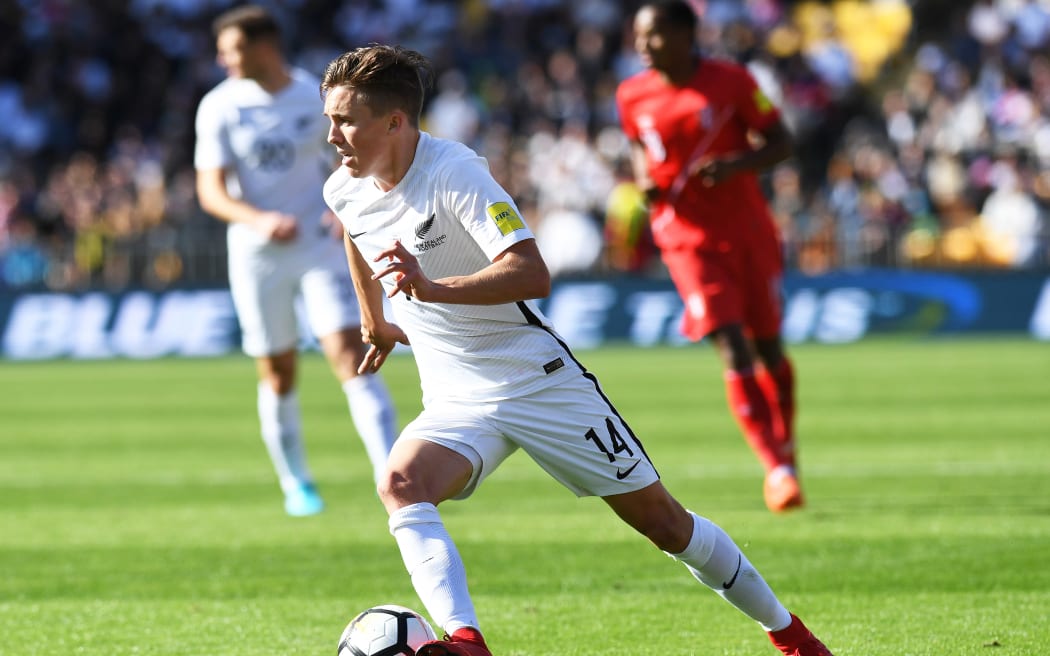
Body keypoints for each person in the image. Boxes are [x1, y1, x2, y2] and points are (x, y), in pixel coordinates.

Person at [319, 44, 834, 656]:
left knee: (666, 525)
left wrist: (431, 288)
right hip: (456, 391)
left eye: (345, 120)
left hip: (536, 379)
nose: (332, 136)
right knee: (401, 482)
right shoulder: (344, 188)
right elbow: (357, 232)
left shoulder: (455, 173)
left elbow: (532, 274)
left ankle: (791, 635)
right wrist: (373, 318)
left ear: (396, 122)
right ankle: (465, 642)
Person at [194, 5, 398, 517]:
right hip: (258, 254)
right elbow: (211, 193)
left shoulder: (314, 95)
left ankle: (393, 474)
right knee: (279, 372)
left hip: (319, 245)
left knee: (352, 354)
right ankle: (297, 484)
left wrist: (344, 208)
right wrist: (257, 220)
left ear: (264, 47)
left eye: (232, 49)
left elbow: (354, 160)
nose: (224, 59)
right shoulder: (219, 106)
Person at [615, 0, 804, 513]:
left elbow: (782, 141)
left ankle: (785, 447)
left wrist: (737, 165)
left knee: (769, 348)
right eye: (637, 36)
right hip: (685, 238)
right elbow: (638, 143)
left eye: (651, 36)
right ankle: (777, 468)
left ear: (683, 34)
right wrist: (644, 180)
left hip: (748, 234)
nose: (641, 47)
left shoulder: (734, 82)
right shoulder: (631, 94)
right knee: (733, 346)